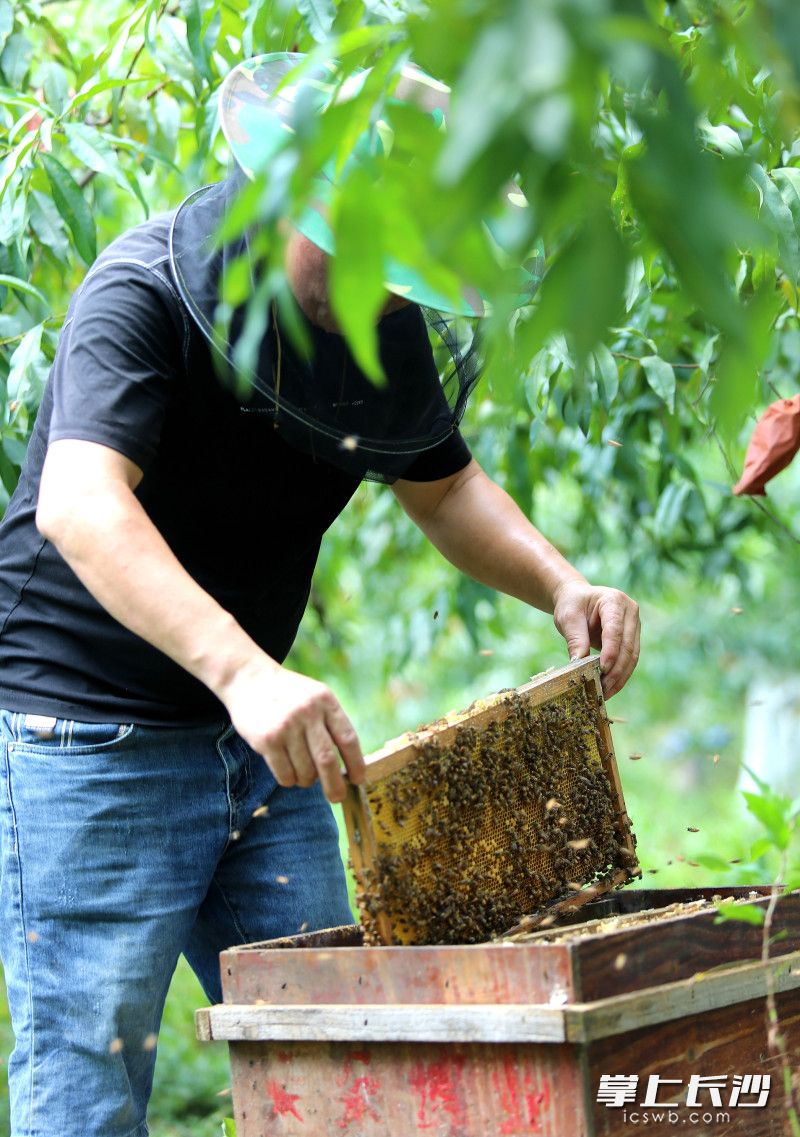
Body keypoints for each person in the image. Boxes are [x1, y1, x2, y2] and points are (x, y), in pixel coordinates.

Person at [0, 54, 640, 1137]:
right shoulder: (142, 287)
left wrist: (560, 584)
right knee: (89, 1077)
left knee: (338, 1045)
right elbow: (79, 502)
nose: (395, 287)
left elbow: (443, 491)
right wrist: (247, 671)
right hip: (92, 741)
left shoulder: (382, 322)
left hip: (263, 748)